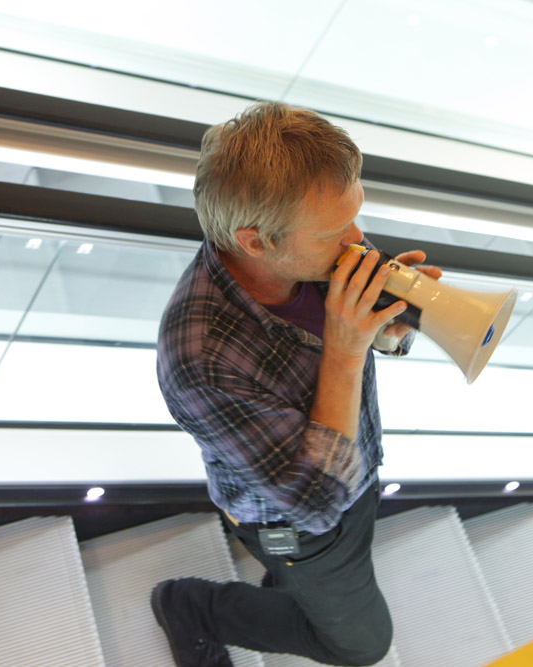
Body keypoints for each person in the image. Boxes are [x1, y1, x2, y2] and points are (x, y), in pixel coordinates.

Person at [152, 101, 441, 667]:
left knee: (307, 588)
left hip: (353, 473)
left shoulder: (306, 253)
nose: (358, 239)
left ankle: (285, 586)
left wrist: (386, 329)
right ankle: (192, 607)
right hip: (295, 519)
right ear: (255, 240)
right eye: (335, 231)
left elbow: (356, 354)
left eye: (354, 217)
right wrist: (347, 346)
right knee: (360, 644)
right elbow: (314, 504)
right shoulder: (200, 359)